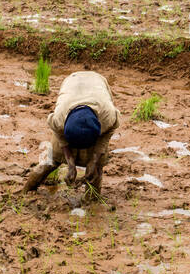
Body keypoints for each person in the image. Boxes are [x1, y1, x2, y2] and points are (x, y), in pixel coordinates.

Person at [23, 70, 119, 198]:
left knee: (96, 168)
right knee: (51, 160)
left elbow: (108, 132)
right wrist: (70, 164)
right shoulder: (59, 118)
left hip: (97, 84)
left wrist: (94, 160)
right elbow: (59, 135)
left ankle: (92, 200)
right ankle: (27, 190)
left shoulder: (108, 116)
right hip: (73, 82)